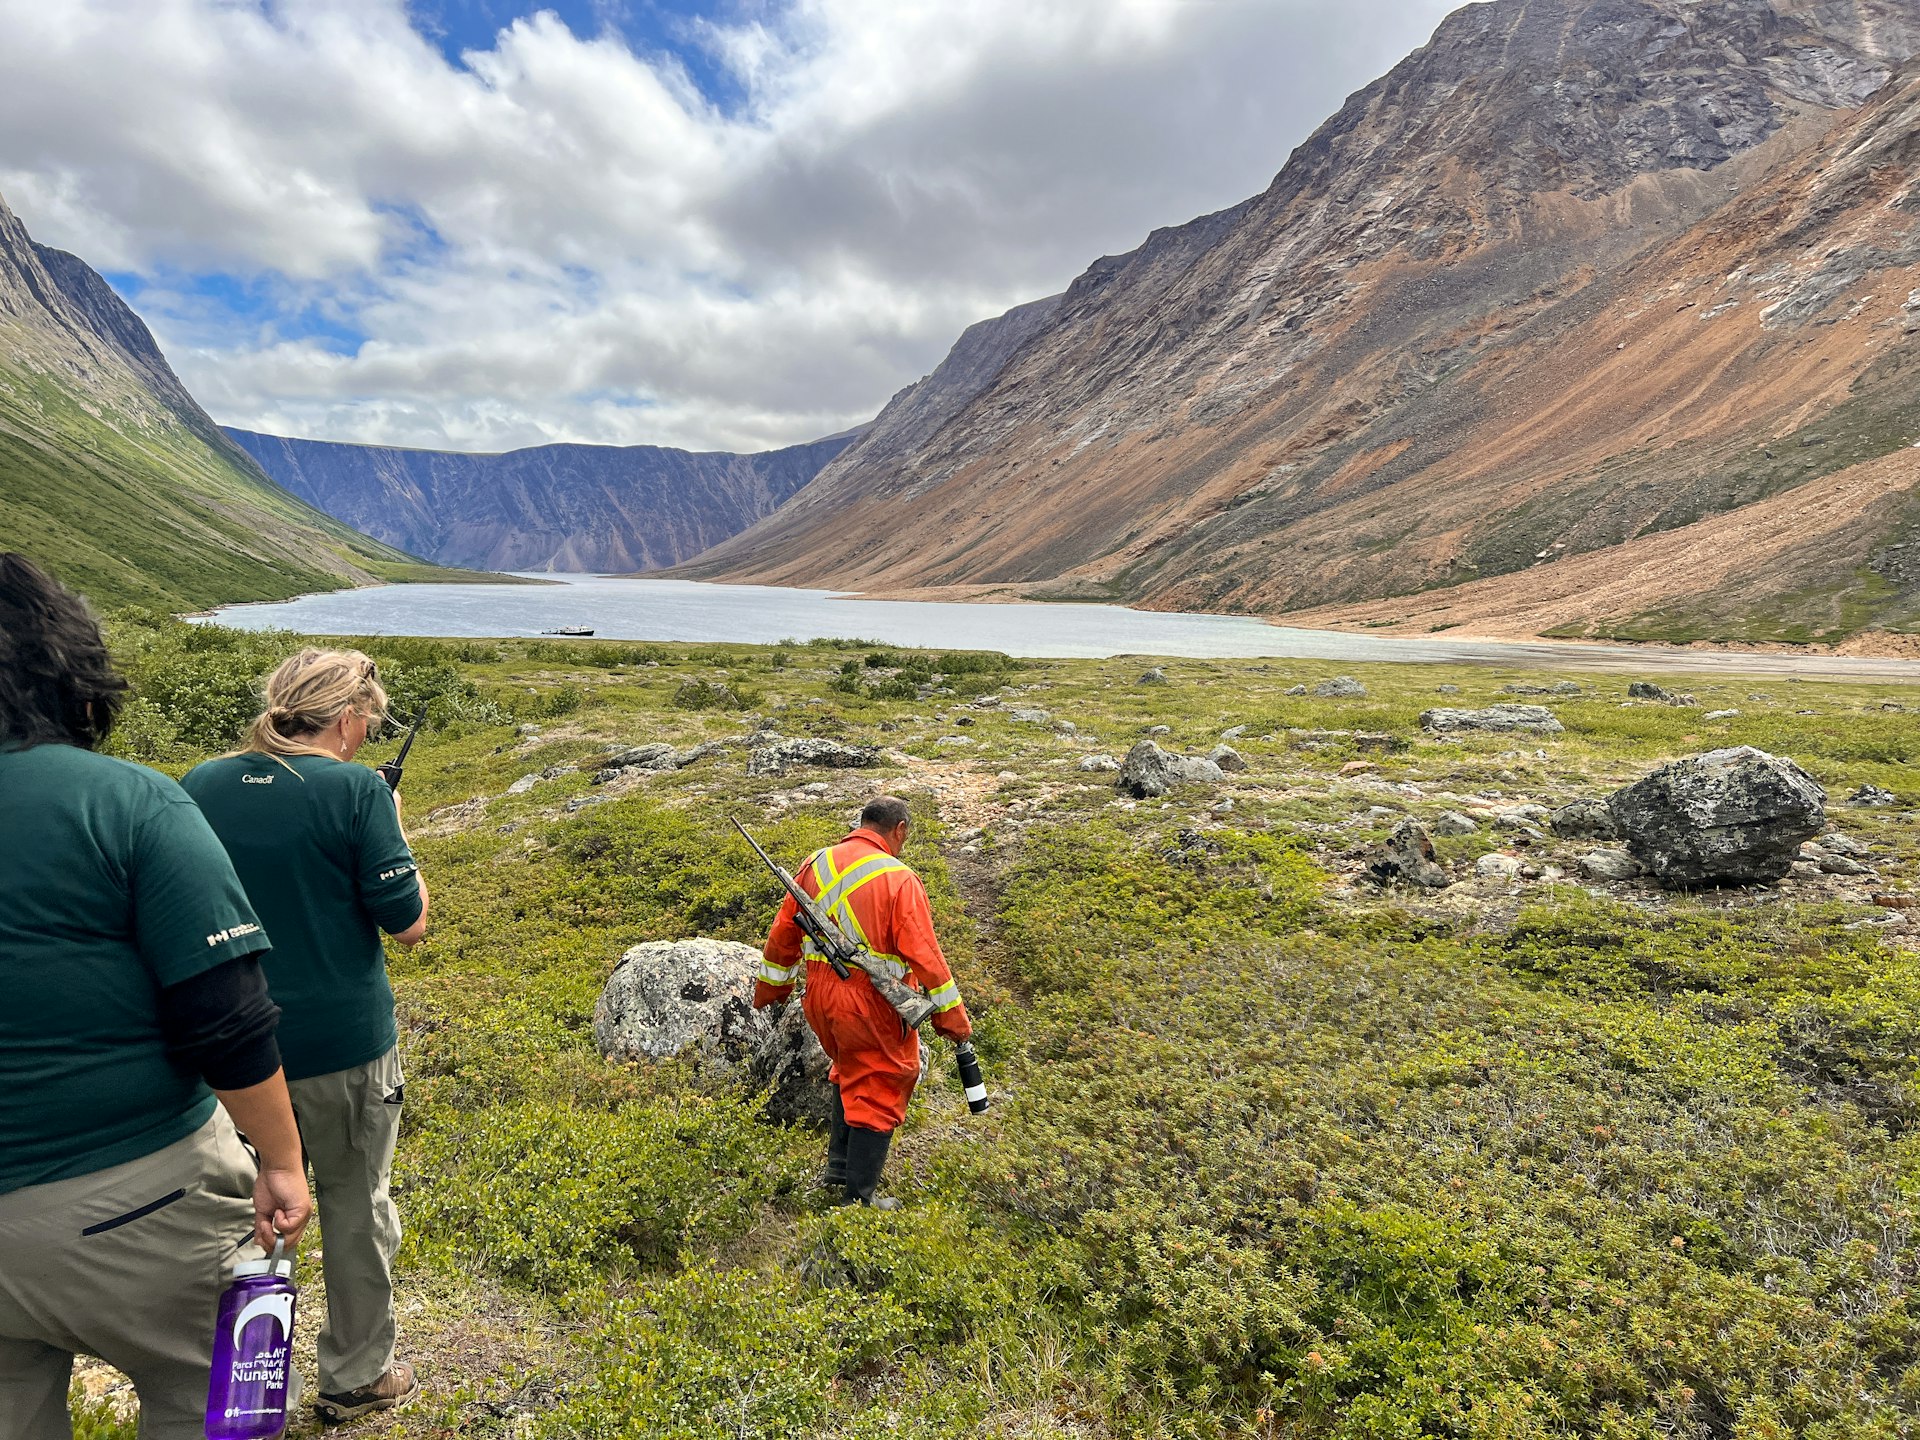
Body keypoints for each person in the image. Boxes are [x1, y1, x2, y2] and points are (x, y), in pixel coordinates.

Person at [0, 553, 312, 1440]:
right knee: (217, 1402)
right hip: (136, 1199)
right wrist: (282, 1163)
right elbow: (228, 1017)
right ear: (66, 668)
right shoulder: (128, 803)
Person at [182, 648, 429, 1425]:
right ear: (352, 719)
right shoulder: (358, 790)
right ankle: (356, 1377)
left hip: (229, 1052)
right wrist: (389, 820)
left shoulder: (202, 782)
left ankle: (240, 1385)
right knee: (355, 1205)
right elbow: (410, 922)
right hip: (343, 1046)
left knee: (244, 1213)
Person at [753, 795, 972, 1208]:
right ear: (900, 829)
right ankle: (859, 1200)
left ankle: (838, 1169)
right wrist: (953, 1021)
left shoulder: (816, 862)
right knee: (882, 1079)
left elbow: (783, 934)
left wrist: (773, 991)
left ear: (861, 821)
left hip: (819, 996)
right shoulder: (900, 879)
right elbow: (928, 959)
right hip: (870, 1003)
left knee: (848, 1067)